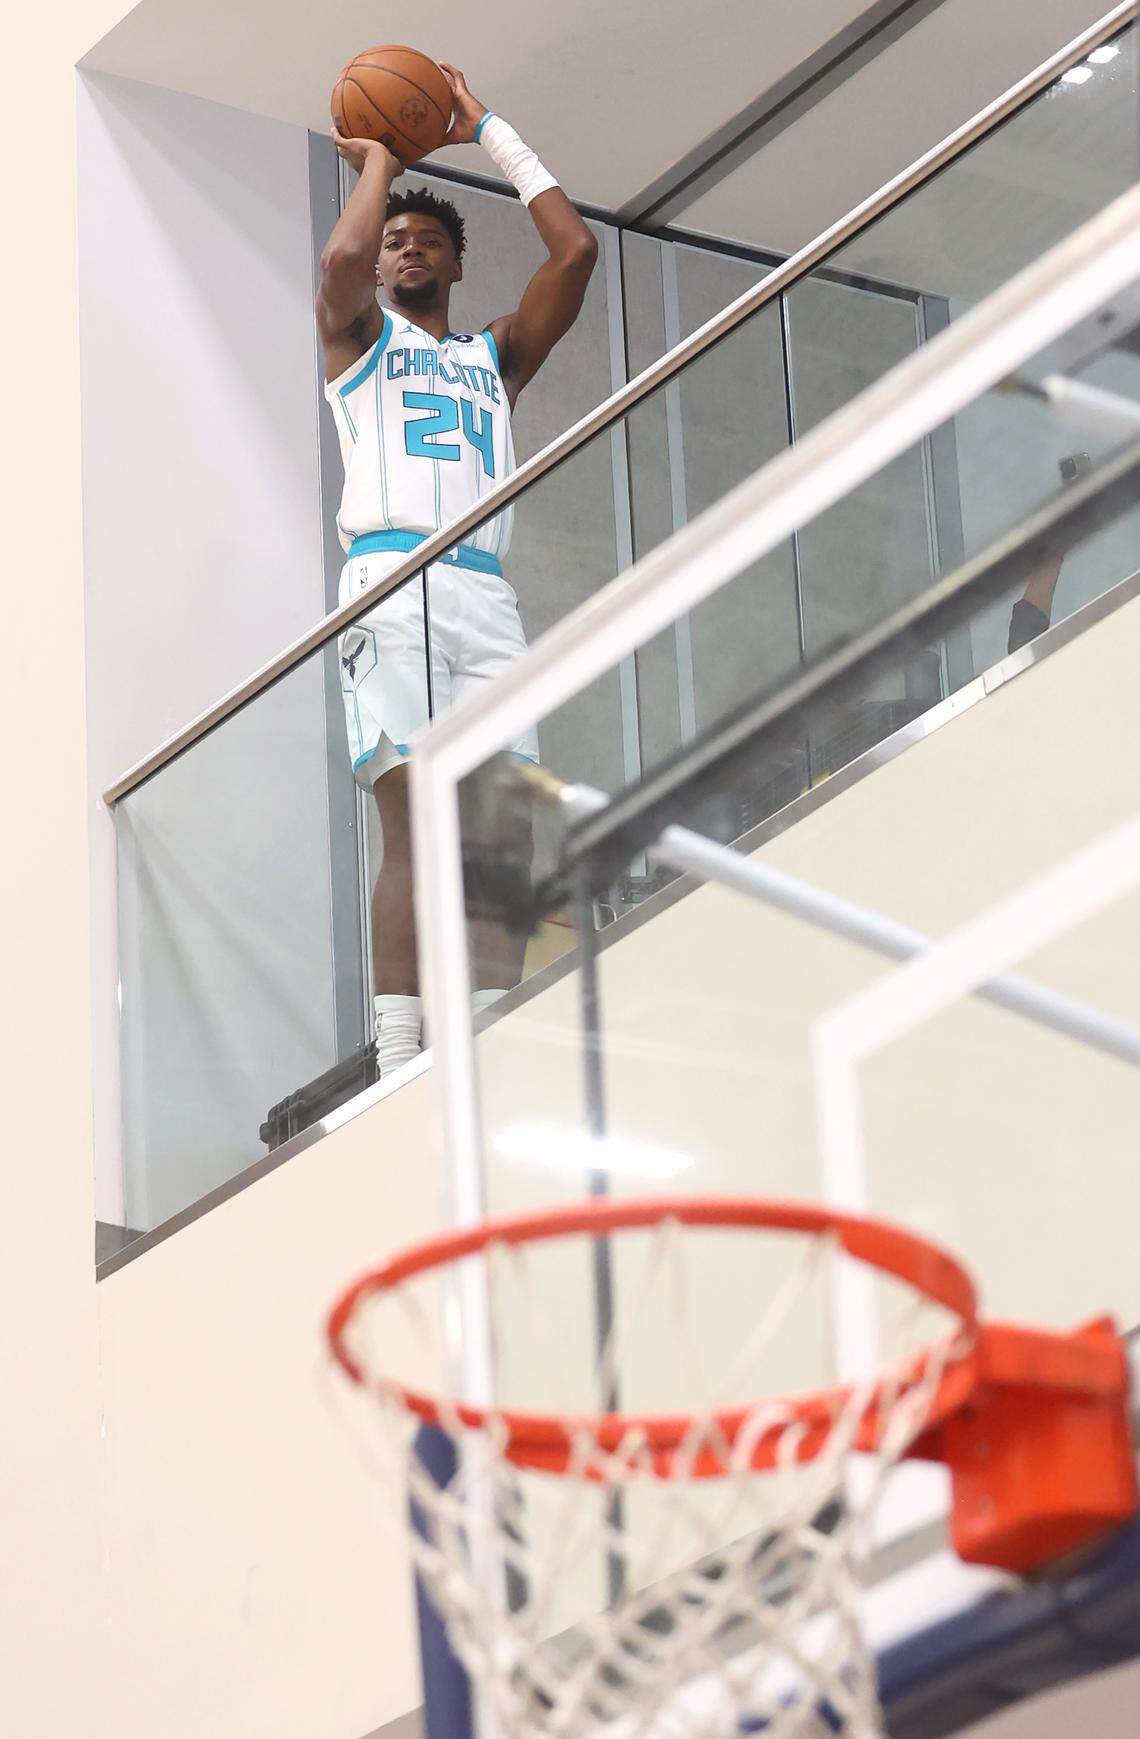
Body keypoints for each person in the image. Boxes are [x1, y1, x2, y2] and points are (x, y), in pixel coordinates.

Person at [316, 65, 598, 1078]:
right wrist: (384, 163)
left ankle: (487, 1034)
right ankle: (399, 1052)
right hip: (390, 582)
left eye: (428, 238)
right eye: (399, 240)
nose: (406, 247)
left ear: (456, 265)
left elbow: (577, 248)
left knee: (505, 832)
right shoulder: (356, 338)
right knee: (414, 822)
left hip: (485, 589)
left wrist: (486, 130)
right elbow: (343, 250)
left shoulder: (496, 355)